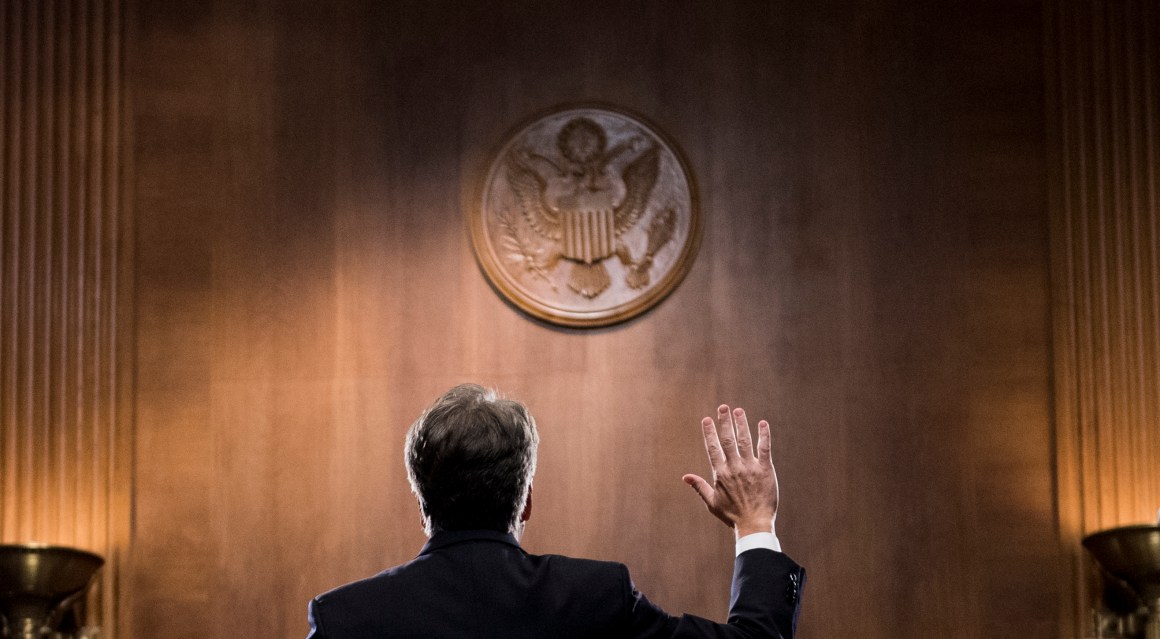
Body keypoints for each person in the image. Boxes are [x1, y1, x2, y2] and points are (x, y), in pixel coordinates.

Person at [306, 383, 805, 638]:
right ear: (526, 502)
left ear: (422, 503)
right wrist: (755, 522)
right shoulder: (595, 598)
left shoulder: (345, 620)